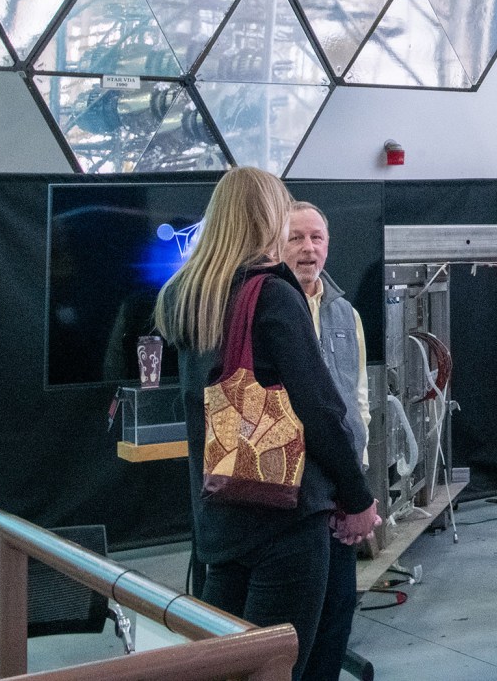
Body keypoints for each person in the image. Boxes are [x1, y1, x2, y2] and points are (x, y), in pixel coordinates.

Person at [157, 168, 380, 681]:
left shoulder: (185, 297)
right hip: (285, 516)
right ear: (268, 218)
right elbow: (321, 410)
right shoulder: (274, 295)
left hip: (219, 514)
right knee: (277, 667)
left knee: (226, 666)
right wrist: (358, 497)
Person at [285, 201, 373, 681]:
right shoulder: (270, 309)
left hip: (340, 488)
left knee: (338, 611)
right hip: (292, 495)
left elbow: (357, 403)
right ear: (278, 245)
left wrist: (354, 480)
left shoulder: (346, 313)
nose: (308, 248)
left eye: (316, 237)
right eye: (296, 237)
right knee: (294, 624)